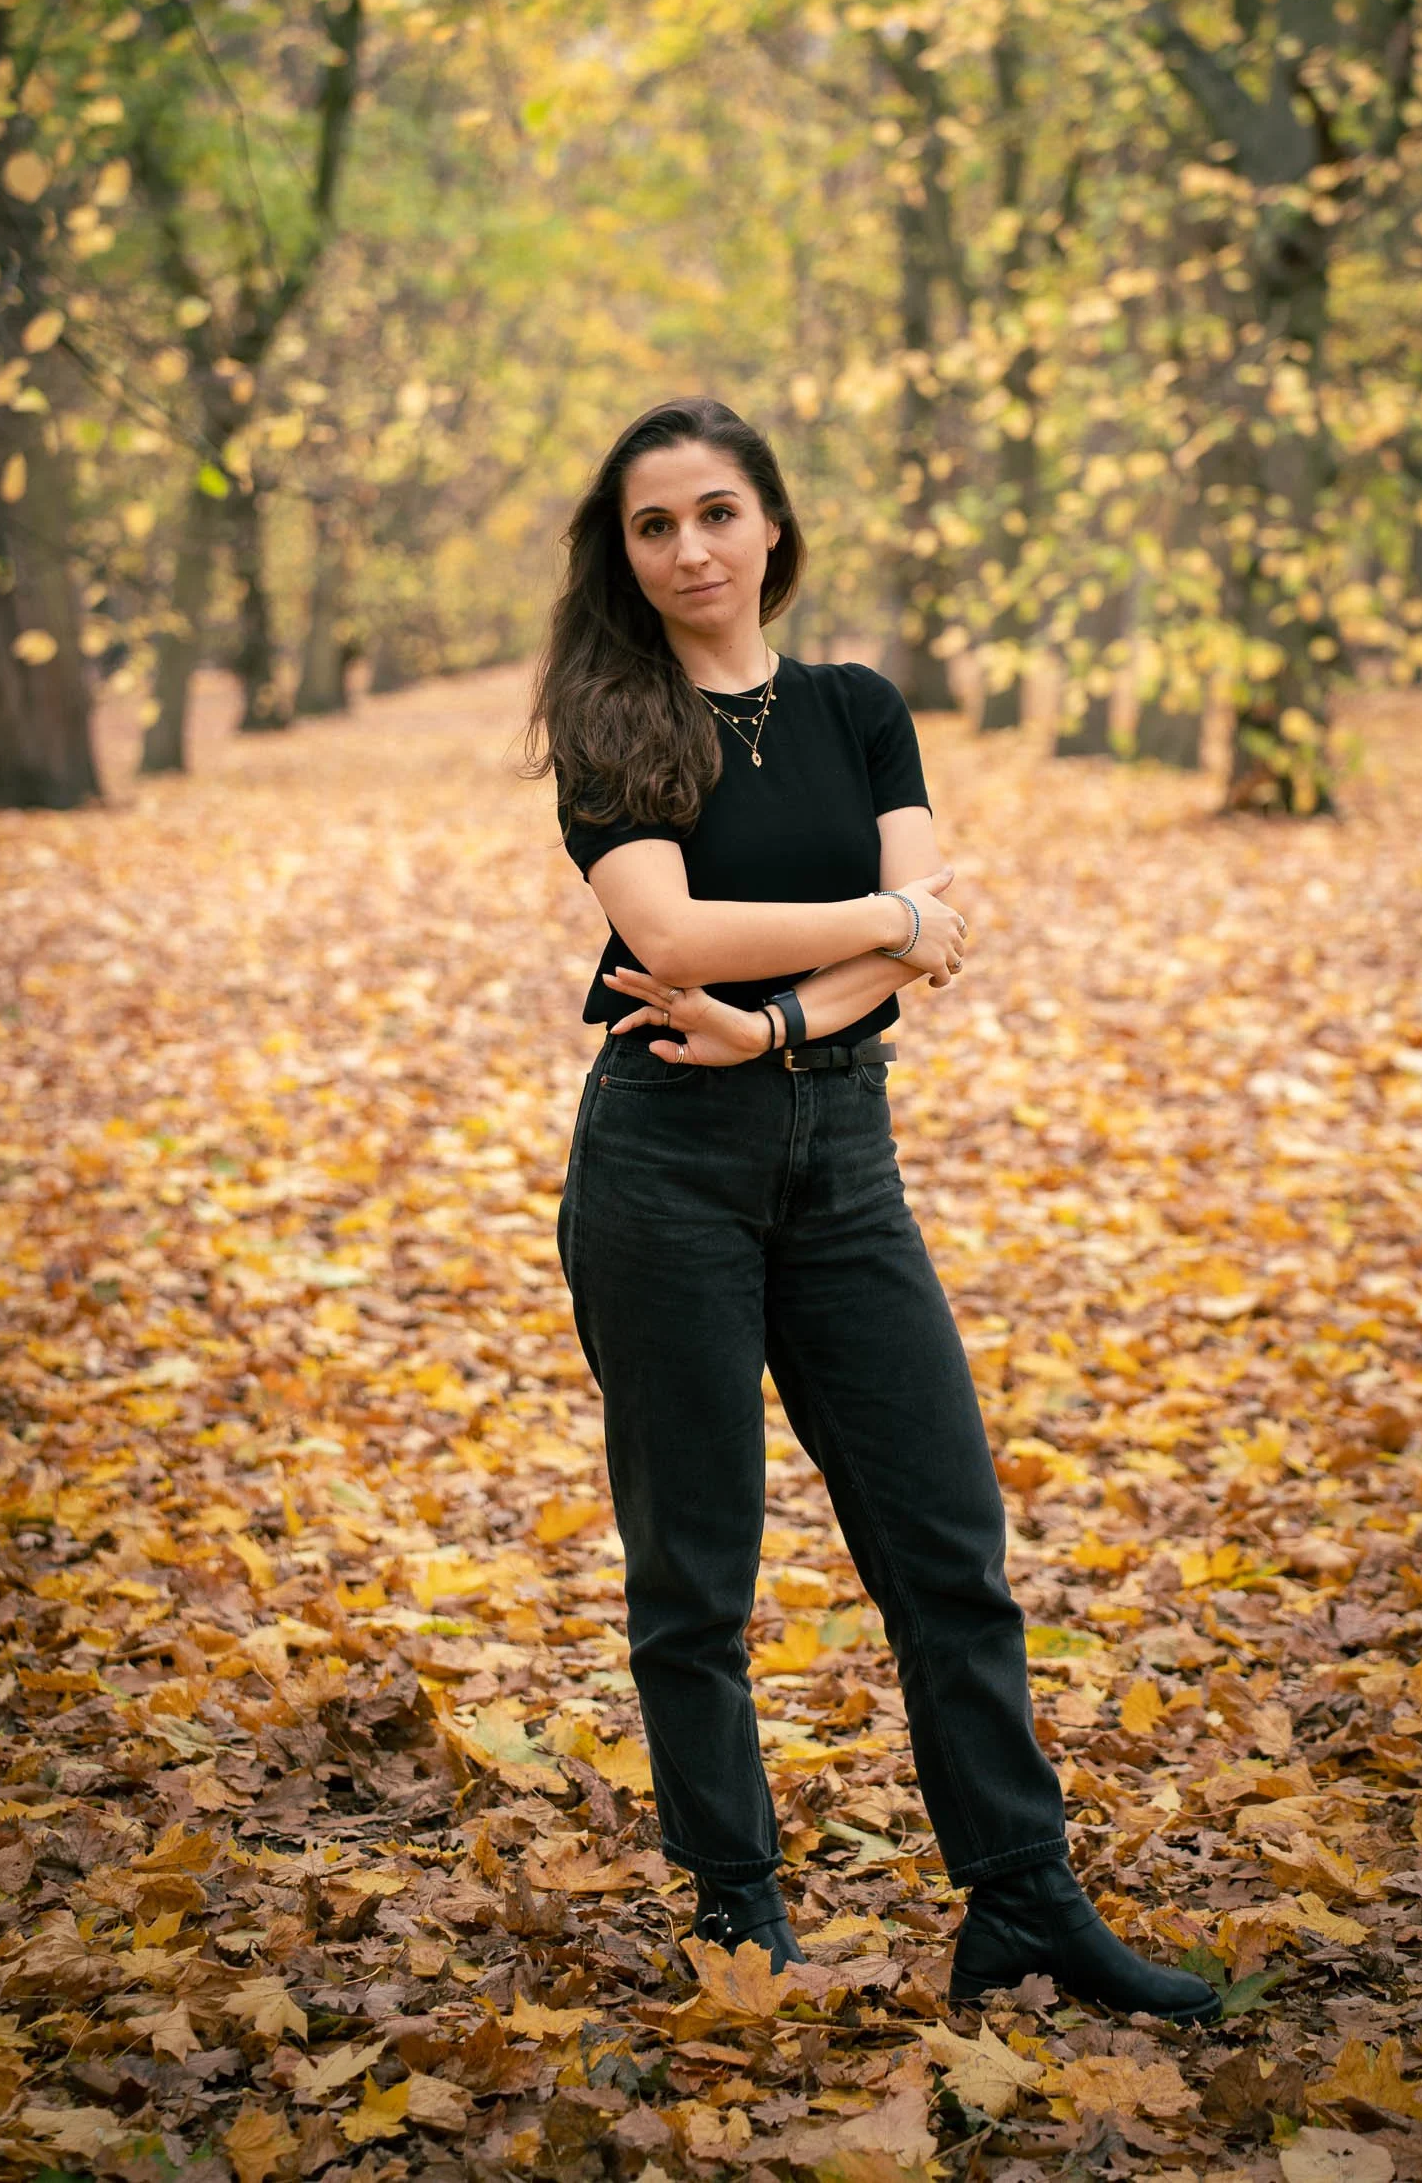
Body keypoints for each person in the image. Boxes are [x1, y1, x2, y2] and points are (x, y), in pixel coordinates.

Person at [526, 397, 1218, 2022]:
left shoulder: (859, 707)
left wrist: (792, 1011)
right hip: (663, 1167)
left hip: (842, 1156)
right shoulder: (610, 719)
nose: (689, 547)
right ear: (621, 556)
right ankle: (737, 1917)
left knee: (948, 1545)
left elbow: (921, 945)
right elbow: (674, 939)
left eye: (715, 511)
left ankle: (1023, 1905)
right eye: (653, 525)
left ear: (772, 525)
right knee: (694, 1571)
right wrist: (886, 916)